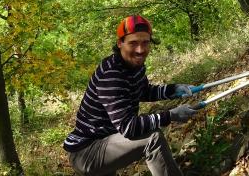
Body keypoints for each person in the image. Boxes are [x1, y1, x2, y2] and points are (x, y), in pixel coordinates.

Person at [63, 15, 197, 176]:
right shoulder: (111, 75)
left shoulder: (134, 65)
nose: (140, 50)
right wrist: (171, 115)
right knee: (152, 139)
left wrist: (173, 90)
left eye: (145, 43)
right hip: (86, 151)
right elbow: (129, 127)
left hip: (106, 141)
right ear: (120, 43)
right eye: (133, 43)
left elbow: (143, 91)